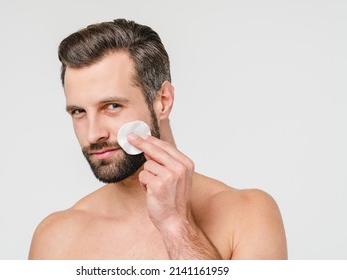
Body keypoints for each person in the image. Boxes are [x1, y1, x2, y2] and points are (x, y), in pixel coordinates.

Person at [28, 19, 287, 260]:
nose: (93, 133)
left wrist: (177, 225)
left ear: (163, 101)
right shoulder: (56, 238)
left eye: (112, 106)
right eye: (78, 112)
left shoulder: (248, 216)